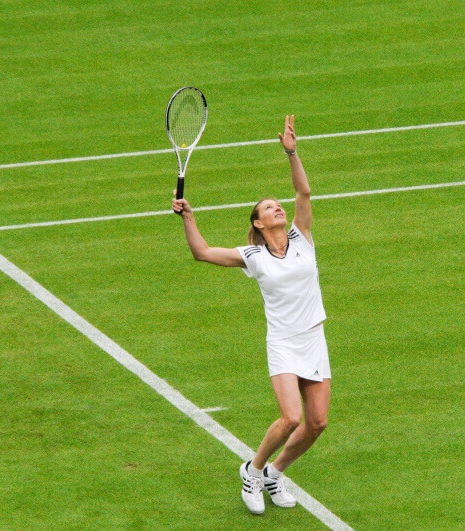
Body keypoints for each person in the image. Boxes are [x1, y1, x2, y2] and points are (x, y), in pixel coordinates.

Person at [172, 115, 331, 515]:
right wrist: (189, 217)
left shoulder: (302, 237)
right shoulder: (253, 256)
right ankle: (253, 470)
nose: (278, 207)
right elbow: (202, 253)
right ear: (258, 223)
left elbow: (304, 192)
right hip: (283, 343)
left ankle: (276, 473)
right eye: (268, 208)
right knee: (291, 417)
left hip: (313, 338)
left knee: (317, 423)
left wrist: (291, 153)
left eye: (278, 204)